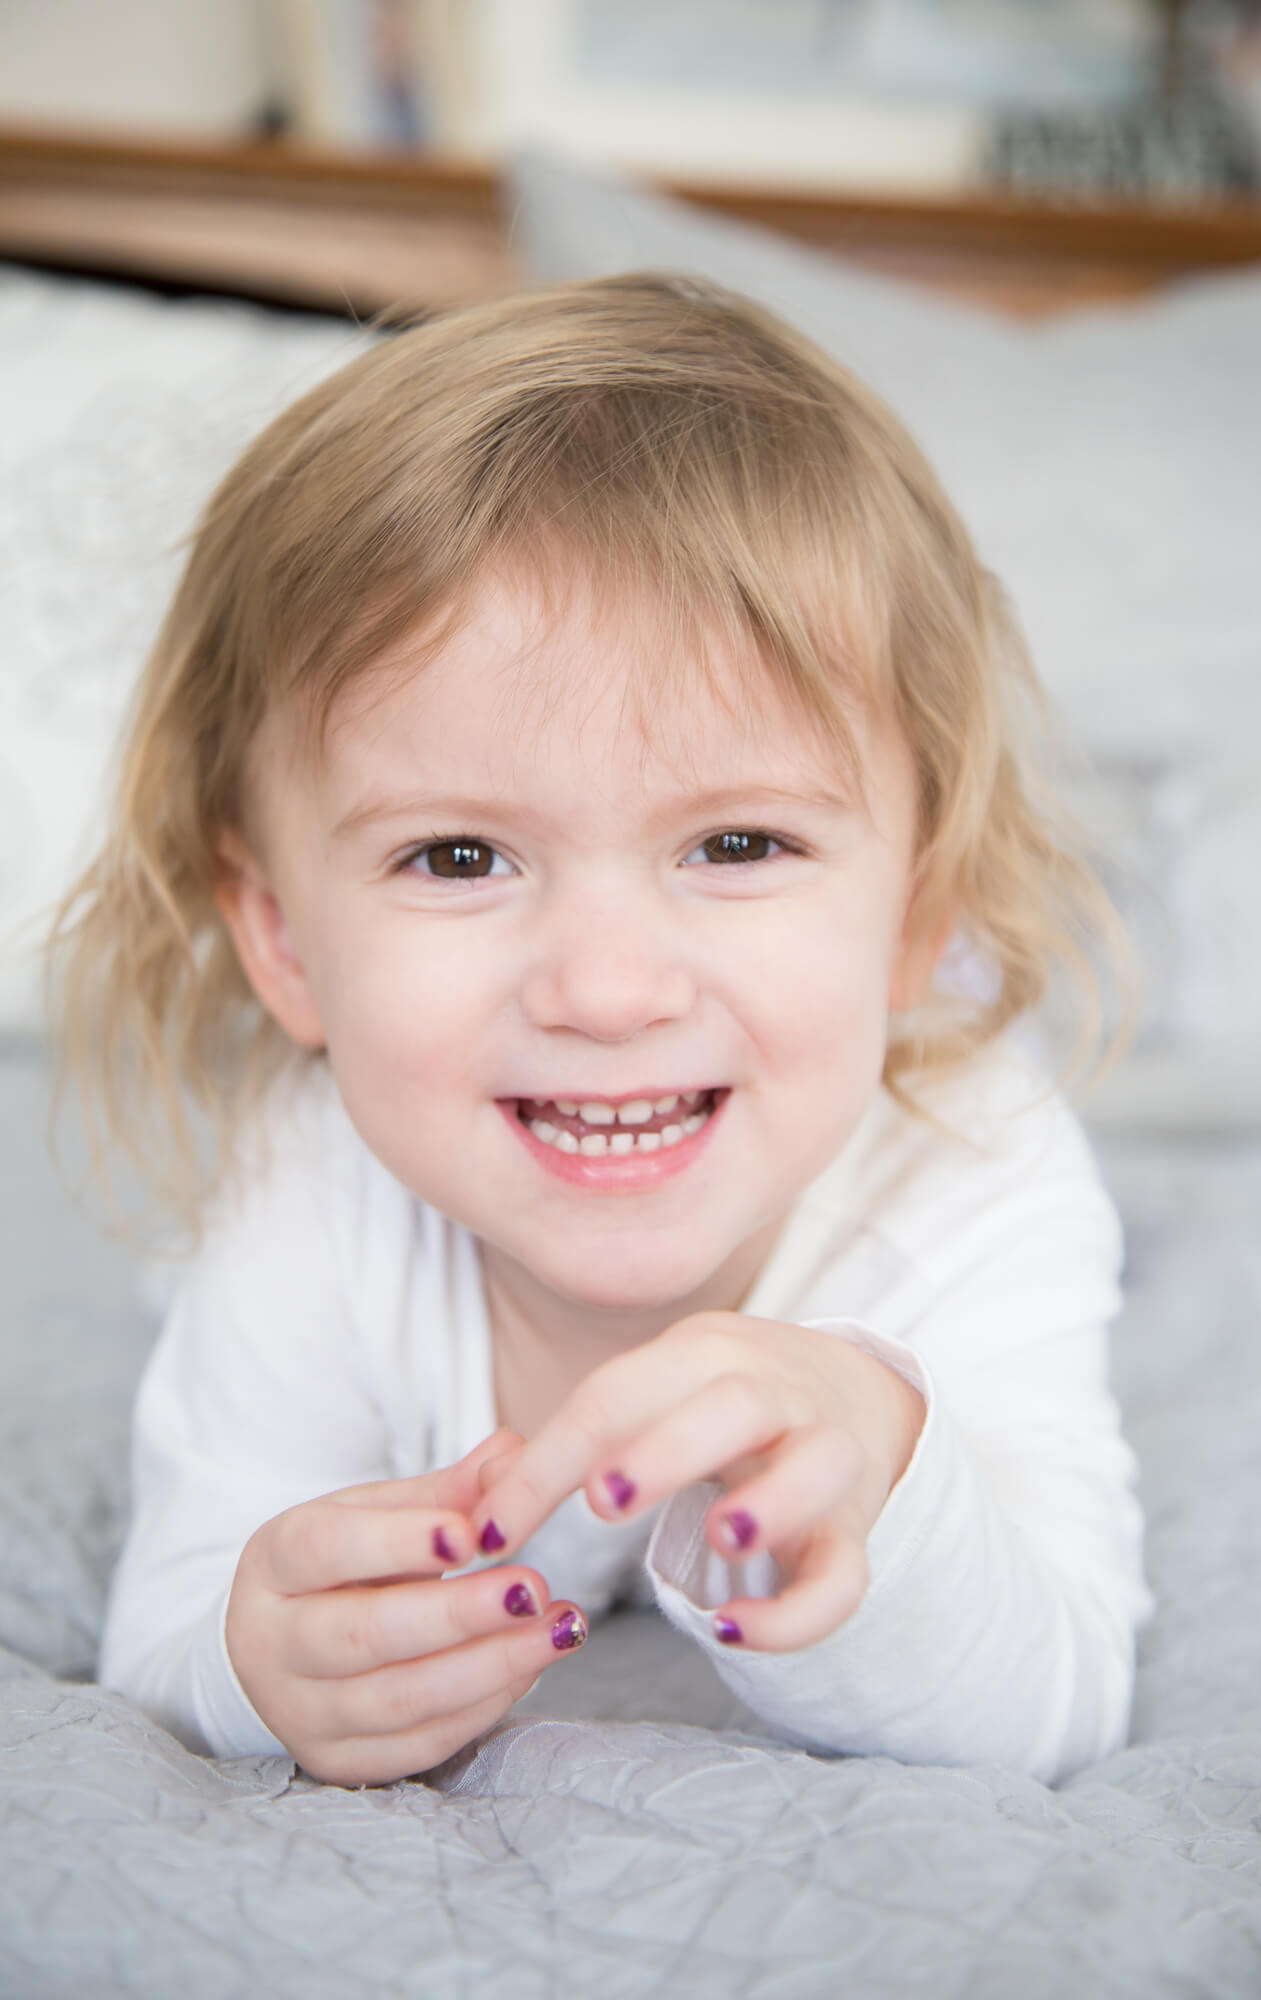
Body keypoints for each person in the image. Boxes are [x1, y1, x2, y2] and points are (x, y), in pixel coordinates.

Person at [44, 271, 1153, 1791]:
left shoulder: (972, 1178)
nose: (608, 991)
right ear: (286, 944)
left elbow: (1064, 1692)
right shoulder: (310, 1190)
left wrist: (887, 1479)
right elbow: (170, 1629)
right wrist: (254, 1662)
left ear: (916, 917)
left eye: (739, 844)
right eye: (457, 858)